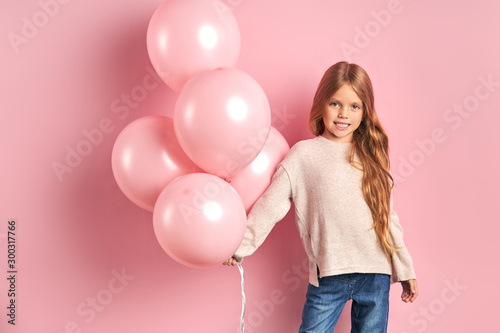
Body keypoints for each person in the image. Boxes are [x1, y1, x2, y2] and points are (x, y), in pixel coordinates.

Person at [223, 61, 419, 332]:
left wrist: (405, 268)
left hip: (375, 272)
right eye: (335, 103)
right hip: (328, 275)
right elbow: (270, 205)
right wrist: (240, 246)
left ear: (364, 112)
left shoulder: (373, 158)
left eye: (354, 106)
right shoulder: (303, 155)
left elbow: (388, 218)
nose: (343, 114)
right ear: (321, 104)